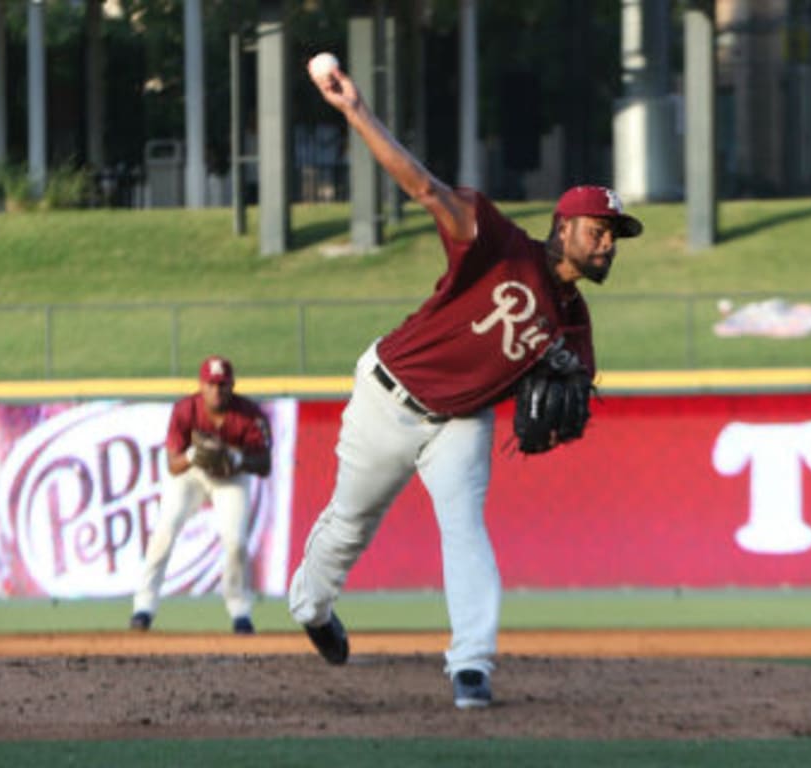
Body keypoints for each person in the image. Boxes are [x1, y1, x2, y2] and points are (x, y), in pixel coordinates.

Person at [289, 54, 642, 710]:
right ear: (564, 227)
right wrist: (354, 110)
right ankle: (311, 606)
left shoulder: (575, 324)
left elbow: (575, 398)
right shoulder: (496, 241)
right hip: (389, 394)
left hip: (461, 421)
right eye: (599, 232)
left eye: (615, 237)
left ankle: (471, 666)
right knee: (350, 522)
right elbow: (424, 188)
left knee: (465, 525)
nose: (608, 245)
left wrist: (565, 408)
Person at [131, 355, 272, 635]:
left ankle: (240, 612)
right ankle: (143, 607)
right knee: (164, 531)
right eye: (211, 384)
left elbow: (265, 464)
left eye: (222, 385)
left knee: (236, 542)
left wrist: (238, 458)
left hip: (231, 476)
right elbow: (173, 466)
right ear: (201, 385)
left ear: (232, 385)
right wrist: (194, 455)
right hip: (190, 475)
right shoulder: (185, 410)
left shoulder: (250, 415)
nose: (216, 391)